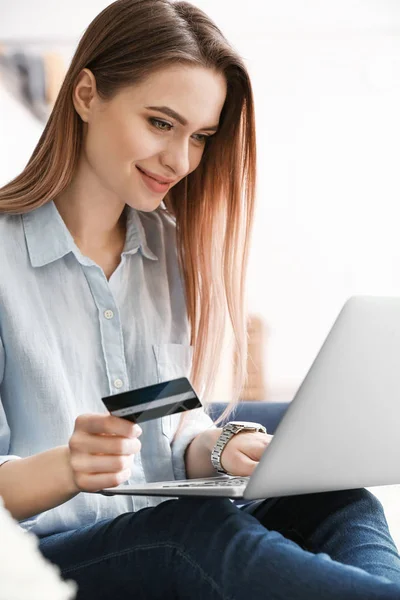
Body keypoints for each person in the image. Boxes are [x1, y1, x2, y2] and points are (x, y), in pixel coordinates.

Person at [0, 1, 400, 598]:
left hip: (162, 522)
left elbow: (167, 426)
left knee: (337, 498)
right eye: (161, 123)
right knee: (196, 531)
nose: (180, 161)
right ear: (85, 95)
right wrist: (66, 467)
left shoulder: (166, 249)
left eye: (201, 137)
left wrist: (221, 448)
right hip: (50, 545)